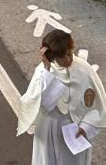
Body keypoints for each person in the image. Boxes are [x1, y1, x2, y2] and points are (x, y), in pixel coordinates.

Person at [17, 29, 106, 163]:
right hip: (49, 130)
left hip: (75, 131)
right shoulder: (42, 72)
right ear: (50, 56)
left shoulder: (84, 69)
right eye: (62, 57)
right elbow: (42, 104)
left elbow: (97, 105)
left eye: (69, 53)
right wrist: (47, 71)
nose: (68, 59)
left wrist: (85, 127)